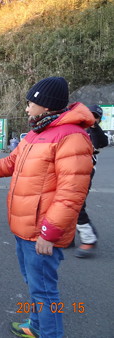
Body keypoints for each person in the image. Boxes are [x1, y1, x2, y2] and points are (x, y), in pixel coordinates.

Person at [0, 77, 94, 338]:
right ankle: (35, 326)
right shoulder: (37, 132)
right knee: (35, 284)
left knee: (44, 290)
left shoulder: (72, 137)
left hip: (41, 231)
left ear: (45, 105)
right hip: (25, 226)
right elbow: (9, 163)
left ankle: (49, 333)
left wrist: (49, 232)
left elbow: (71, 194)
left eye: (30, 103)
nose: (26, 108)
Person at [73, 104, 108, 258]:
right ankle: (66, 238)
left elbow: (101, 142)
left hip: (85, 172)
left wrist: (93, 125)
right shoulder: (74, 128)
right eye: (88, 114)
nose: (91, 117)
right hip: (67, 171)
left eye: (95, 116)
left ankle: (89, 238)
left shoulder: (94, 132)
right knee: (61, 204)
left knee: (76, 205)